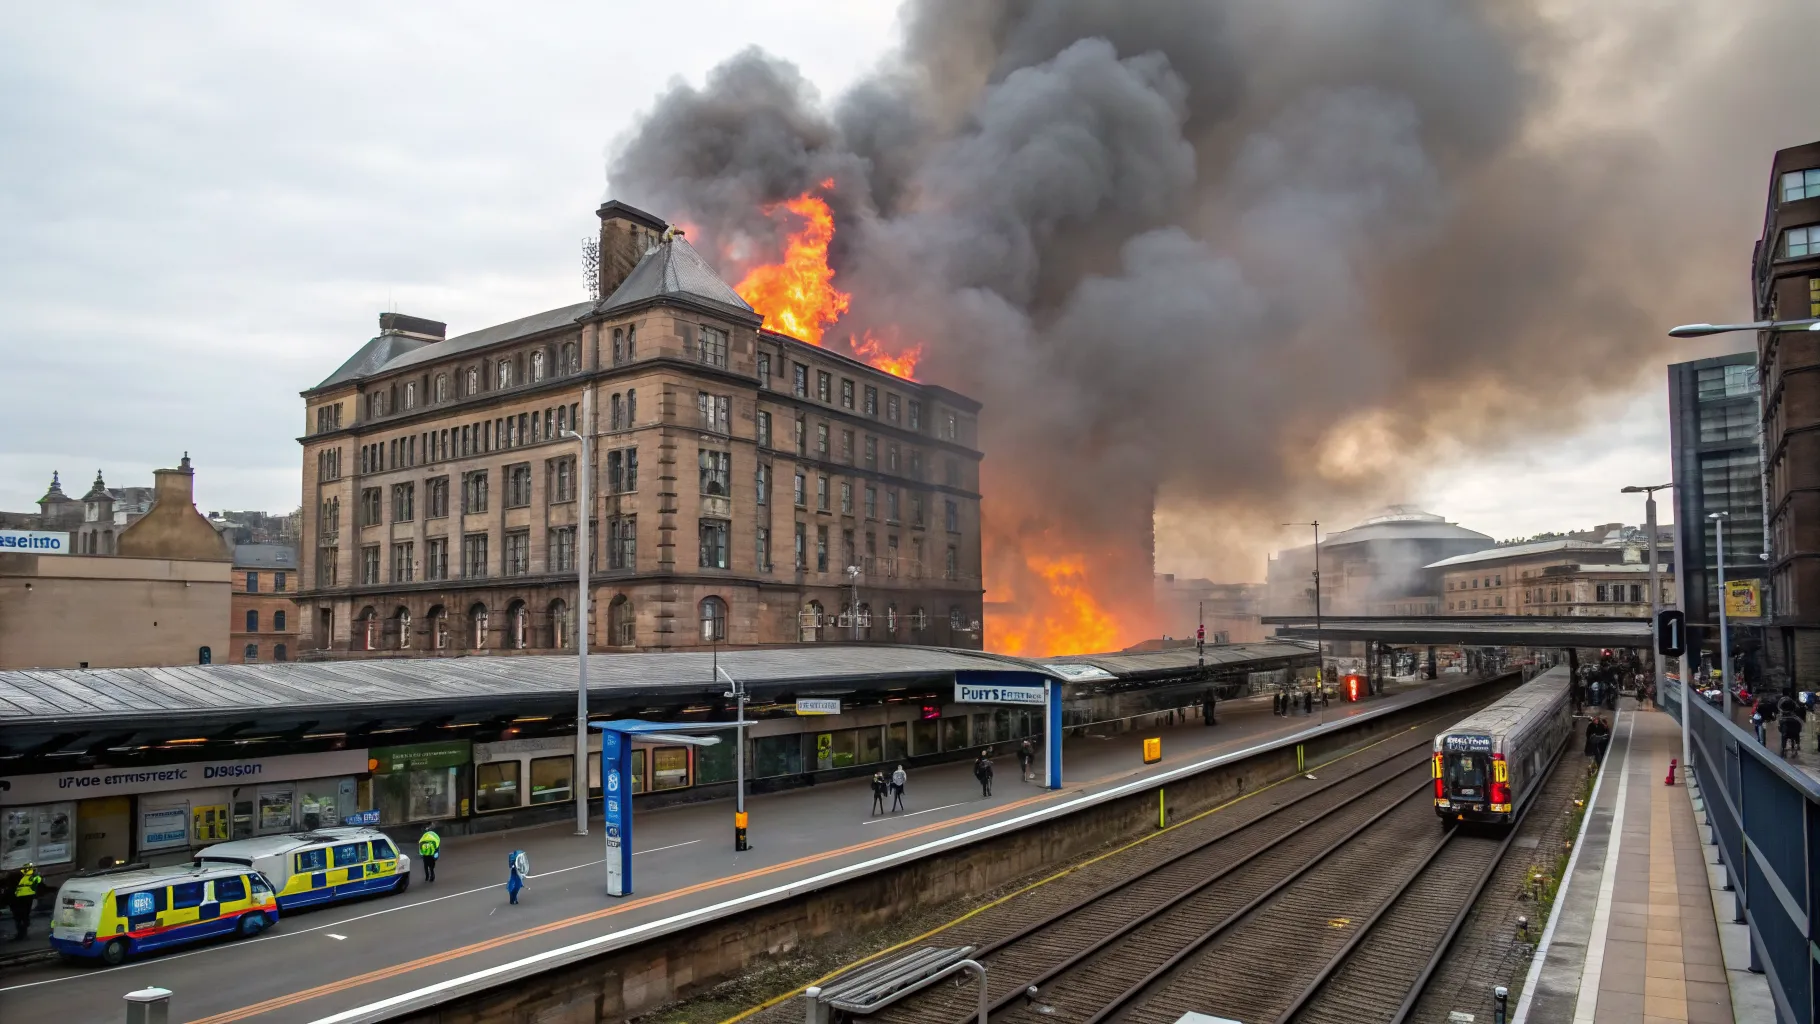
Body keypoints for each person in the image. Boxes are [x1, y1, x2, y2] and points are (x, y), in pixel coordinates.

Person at [10, 861, 42, 941]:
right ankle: (22, 934)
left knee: (21, 917)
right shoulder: (27, 877)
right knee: (23, 917)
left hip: (21, 901)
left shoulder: (23, 877)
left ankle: (22, 935)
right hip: (22, 900)